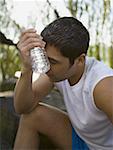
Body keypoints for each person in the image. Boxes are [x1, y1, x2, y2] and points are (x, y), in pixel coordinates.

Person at [14, 17, 113, 150]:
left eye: (53, 62)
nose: (46, 67)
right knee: (31, 116)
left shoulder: (102, 86)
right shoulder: (56, 73)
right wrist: (26, 68)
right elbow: (22, 108)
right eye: (45, 58)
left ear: (80, 60)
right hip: (83, 140)